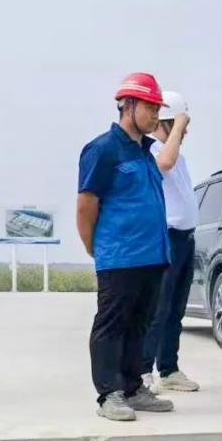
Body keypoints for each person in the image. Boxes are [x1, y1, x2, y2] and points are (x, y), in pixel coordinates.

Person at [76, 72, 175, 421]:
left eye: (158, 109)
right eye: (150, 107)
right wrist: (95, 246)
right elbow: (86, 205)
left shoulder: (146, 153)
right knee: (112, 325)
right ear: (128, 105)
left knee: (139, 325)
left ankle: (134, 388)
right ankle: (109, 394)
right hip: (119, 255)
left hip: (152, 255)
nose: (155, 115)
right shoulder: (103, 149)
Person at [140, 91, 200, 394]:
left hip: (185, 240)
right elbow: (165, 162)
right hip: (165, 237)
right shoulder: (151, 149)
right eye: (181, 125)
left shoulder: (179, 155)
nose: (185, 131)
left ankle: (169, 368)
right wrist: (177, 123)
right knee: (158, 309)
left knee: (176, 309)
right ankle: (143, 370)